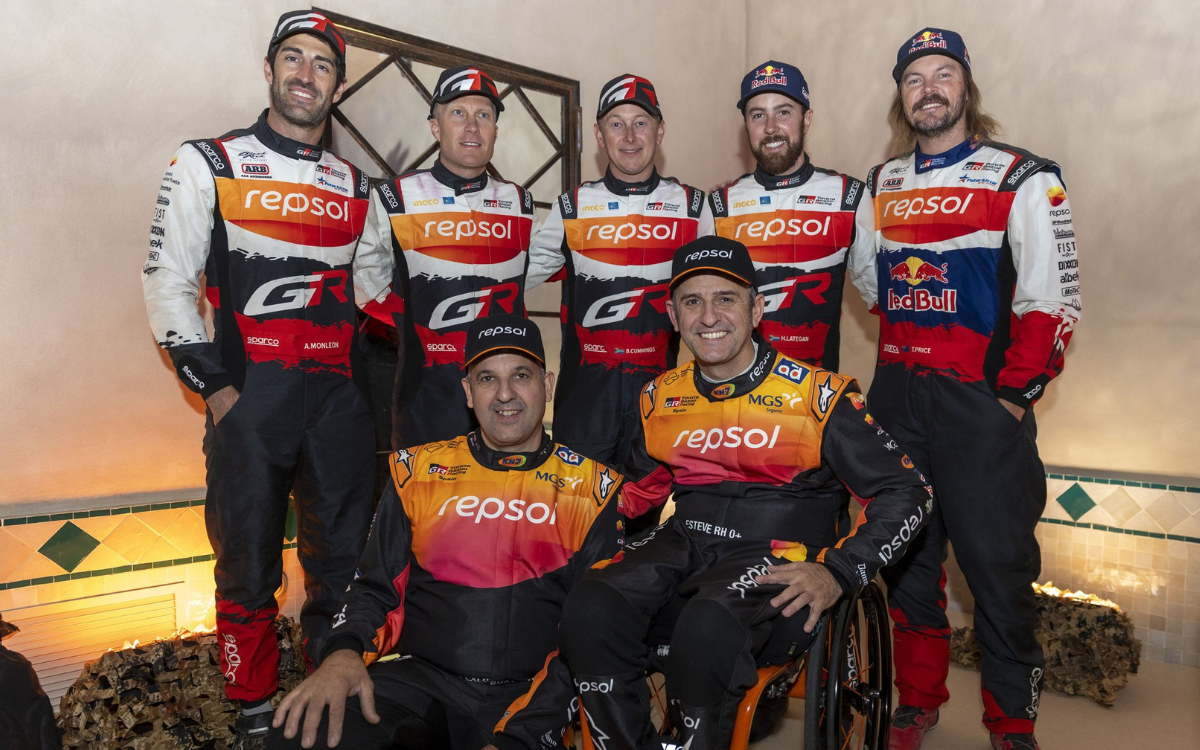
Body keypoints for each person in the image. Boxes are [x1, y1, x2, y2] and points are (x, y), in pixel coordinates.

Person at [557, 237, 933, 750]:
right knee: (589, 605)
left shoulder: (819, 396)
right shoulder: (659, 397)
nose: (709, 316)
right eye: (692, 301)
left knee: (705, 628)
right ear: (673, 316)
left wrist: (841, 571)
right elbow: (638, 494)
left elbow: (908, 491)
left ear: (756, 310)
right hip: (686, 544)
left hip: (779, 556)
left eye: (726, 299)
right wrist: (556, 507)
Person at [141, 10, 401, 744]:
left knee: (342, 562)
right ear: (269, 69)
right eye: (293, 57)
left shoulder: (357, 186)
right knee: (246, 563)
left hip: (339, 404)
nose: (305, 74)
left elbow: (376, 289)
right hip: (251, 397)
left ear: (337, 85)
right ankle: (253, 709)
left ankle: (335, 697)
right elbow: (167, 280)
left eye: (322, 64)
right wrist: (217, 390)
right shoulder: (210, 161)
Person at [860, 28, 1082, 750]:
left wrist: (1012, 398)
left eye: (942, 74)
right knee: (907, 564)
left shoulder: (1022, 174)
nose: (928, 88)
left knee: (997, 572)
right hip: (898, 399)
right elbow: (871, 280)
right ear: (901, 96)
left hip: (981, 406)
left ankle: (1012, 722)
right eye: (914, 77)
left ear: (966, 87)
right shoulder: (881, 183)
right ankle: (918, 701)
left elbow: (1053, 298)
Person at [267, 314, 623, 750]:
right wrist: (343, 652)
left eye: (521, 375)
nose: (505, 394)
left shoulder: (594, 489)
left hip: (530, 698)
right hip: (422, 683)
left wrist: (523, 736)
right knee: (298, 735)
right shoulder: (416, 472)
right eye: (487, 378)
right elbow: (374, 590)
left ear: (547, 387)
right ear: (468, 392)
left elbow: (590, 637)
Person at [525, 73, 713, 470]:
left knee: (647, 505)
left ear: (660, 131)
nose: (629, 136)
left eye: (640, 122)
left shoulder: (694, 207)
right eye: (616, 123)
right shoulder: (572, 206)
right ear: (599, 135)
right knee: (580, 505)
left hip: (659, 397)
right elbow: (512, 277)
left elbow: (720, 296)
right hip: (584, 400)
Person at [357, 65, 536, 450]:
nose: (472, 126)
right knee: (424, 487)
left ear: (495, 131)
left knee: (503, 488)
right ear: (436, 127)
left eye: (483, 116)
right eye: (458, 113)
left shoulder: (520, 202)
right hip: (425, 391)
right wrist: (408, 321)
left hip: (502, 394)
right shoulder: (395, 197)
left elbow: (525, 280)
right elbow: (363, 276)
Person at [709, 61, 875, 371]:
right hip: (737, 390)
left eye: (783, 112)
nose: (771, 127)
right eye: (758, 115)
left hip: (814, 389)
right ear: (746, 125)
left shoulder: (849, 197)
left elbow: (883, 298)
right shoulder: (720, 205)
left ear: (806, 119)